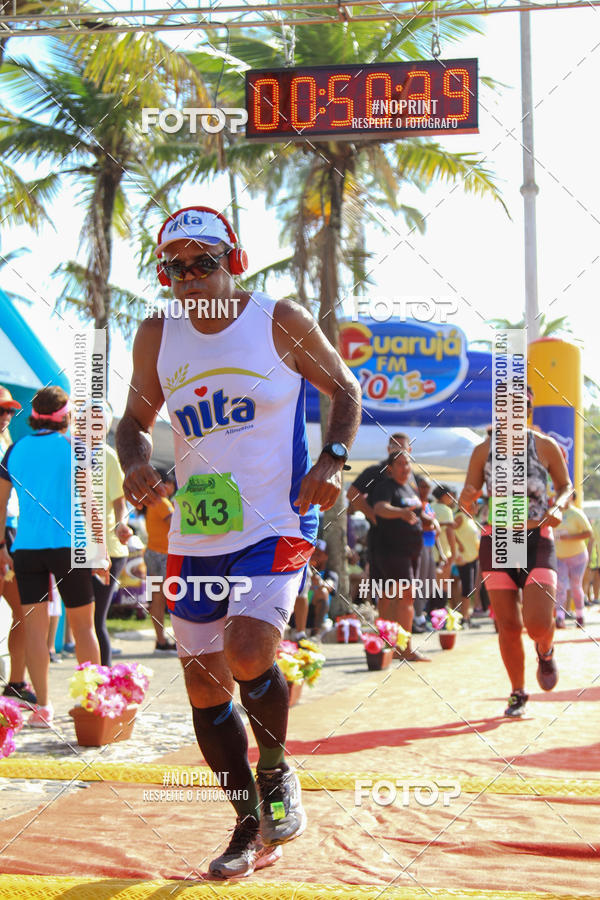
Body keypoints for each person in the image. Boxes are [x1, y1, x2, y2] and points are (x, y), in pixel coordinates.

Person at [116, 205, 361, 878]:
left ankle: (277, 771)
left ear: (236, 263)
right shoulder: (156, 335)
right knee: (202, 687)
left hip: (279, 518)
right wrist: (135, 462)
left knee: (248, 647)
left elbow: (344, 388)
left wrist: (331, 460)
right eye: (175, 266)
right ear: (164, 275)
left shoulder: (277, 321)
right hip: (199, 529)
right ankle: (247, 822)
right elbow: (132, 422)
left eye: (205, 262)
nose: (189, 276)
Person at [459, 387, 571, 718]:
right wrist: (467, 497)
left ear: (528, 411)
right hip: (498, 539)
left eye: (520, 406)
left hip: (536, 536)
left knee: (537, 624)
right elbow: (469, 501)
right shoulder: (483, 451)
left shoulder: (544, 446)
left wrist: (561, 507)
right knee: (508, 626)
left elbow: (566, 487)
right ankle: (517, 692)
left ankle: (545, 649)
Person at [0, 386, 102, 727]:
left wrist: (2, 548)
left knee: (33, 630)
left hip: (26, 548)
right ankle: (93, 703)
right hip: (69, 546)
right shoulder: (74, 447)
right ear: (66, 415)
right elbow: (91, 504)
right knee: (84, 628)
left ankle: (43, 707)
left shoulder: (15, 449)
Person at [371, 449, 430, 662]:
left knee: (391, 597)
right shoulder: (385, 487)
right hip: (392, 550)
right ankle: (403, 648)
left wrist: (427, 520)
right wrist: (401, 513)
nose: (405, 468)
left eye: (408, 464)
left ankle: (389, 646)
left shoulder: (409, 488)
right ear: (390, 468)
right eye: (400, 464)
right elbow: (380, 508)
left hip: (411, 551)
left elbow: (415, 511)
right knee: (404, 597)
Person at [0, 386, 37, 707]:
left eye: (10, 411)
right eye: (1, 411)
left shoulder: (9, 443)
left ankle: (15, 681)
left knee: (23, 612)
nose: (6, 416)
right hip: (4, 535)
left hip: (11, 532)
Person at [346, 433, 411, 604]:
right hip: (382, 539)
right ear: (388, 450)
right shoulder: (376, 472)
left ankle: (405, 626)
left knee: (406, 589)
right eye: (394, 447)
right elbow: (352, 494)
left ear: (409, 450)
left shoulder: (410, 477)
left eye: (402, 448)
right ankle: (387, 628)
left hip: (406, 541)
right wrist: (374, 516)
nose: (398, 451)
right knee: (385, 590)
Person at [144, 468, 177, 652]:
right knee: (173, 598)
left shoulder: (151, 501)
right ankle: (172, 641)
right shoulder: (163, 503)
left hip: (151, 553)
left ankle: (161, 641)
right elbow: (176, 527)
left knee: (157, 600)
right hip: (164, 555)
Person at [554, 491, 592, 628]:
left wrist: (569, 537)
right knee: (560, 586)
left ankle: (580, 616)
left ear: (571, 498)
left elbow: (588, 532)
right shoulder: (553, 513)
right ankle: (559, 617)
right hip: (559, 557)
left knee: (576, 585)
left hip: (577, 556)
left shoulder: (576, 513)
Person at [292, 539, 338, 640]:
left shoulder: (329, 574)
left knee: (323, 592)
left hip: (314, 616)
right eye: (312, 553)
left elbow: (330, 585)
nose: (314, 556)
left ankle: (316, 633)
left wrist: (321, 583)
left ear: (325, 556)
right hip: (295, 614)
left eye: (318, 554)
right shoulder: (299, 571)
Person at [453, 504, 481, 628]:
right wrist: (459, 545)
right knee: (466, 588)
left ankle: (466, 616)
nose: (476, 507)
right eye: (474, 505)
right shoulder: (460, 517)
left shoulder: (470, 519)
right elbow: (450, 530)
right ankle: (463, 618)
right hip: (463, 557)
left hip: (472, 557)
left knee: (469, 588)